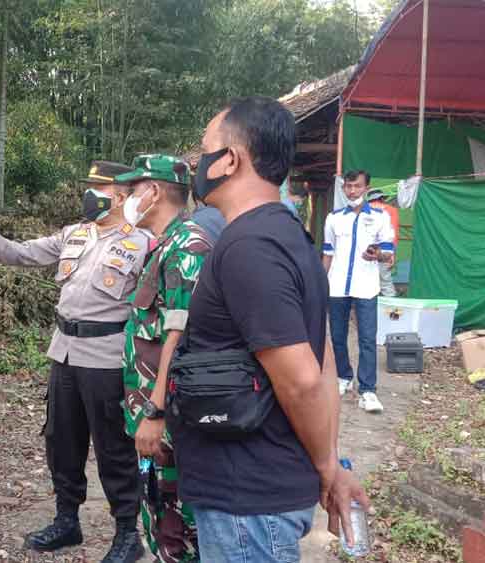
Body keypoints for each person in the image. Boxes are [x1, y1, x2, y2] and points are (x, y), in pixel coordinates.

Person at [173, 96, 370, 562]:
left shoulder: (250, 247)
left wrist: (328, 467)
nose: (198, 163)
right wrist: (329, 460)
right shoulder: (290, 237)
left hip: (247, 501)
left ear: (230, 159)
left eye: (204, 149)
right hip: (257, 492)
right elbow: (323, 359)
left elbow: (303, 380)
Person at [0, 161, 150, 563]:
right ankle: (67, 520)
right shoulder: (74, 234)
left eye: (98, 188)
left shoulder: (143, 243)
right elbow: (21, 253)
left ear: (120, 196)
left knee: (113, 447)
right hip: (65, 352)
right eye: (88, 185)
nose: (89, 194)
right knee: (62, 440)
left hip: (107, 358)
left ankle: (128, 532)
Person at [118, 154, 213, 563]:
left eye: (132, 190)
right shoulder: (164, 245)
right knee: (158, 516)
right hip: (153, 419)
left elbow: (182, 336)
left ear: (154, 192)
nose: (126, 199)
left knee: (178, 530)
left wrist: (155, 411)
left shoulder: (188, 247)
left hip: (169, 422)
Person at [323, 171, 395, 413]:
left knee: (367, 338)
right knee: (337, 336)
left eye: (357, 186)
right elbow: (328, 253)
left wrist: (378, 255)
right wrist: (321, 283)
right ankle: (343, 376)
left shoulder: (380, 217)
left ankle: (368, 390)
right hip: (337, 285)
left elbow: (389, 255)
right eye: (348, 186)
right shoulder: (333, 219)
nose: (352, 191)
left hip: (366, 286)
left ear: (367, 188)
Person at [367, 188, 400, 298]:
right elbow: (393, 233)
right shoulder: (390, 210)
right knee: (385, 282)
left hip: (363, 252)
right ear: (381, 198)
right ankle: (391, 308)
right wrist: (392, 254)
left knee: (363, 283)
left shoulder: (361, 209)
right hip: (383, 251)